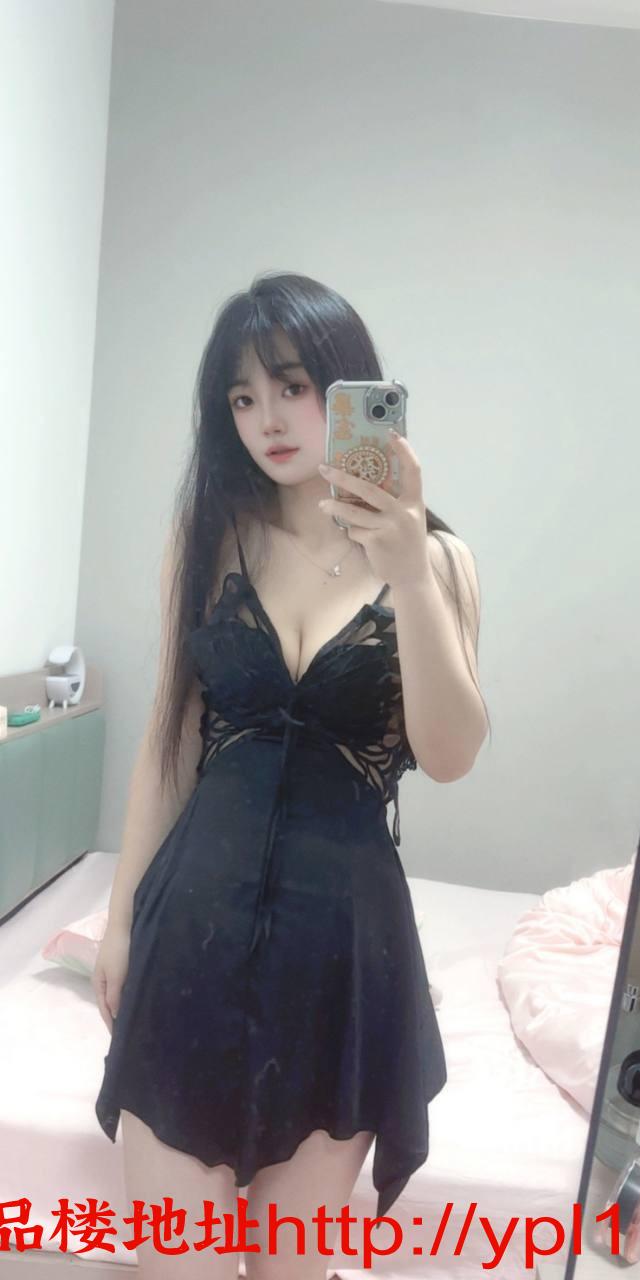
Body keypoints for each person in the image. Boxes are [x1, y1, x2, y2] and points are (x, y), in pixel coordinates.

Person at [93, 271, 489, 1279]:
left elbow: (449, 755)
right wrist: (120, 921)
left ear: (350, 389)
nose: (265, 418)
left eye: (291, 385)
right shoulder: (211, 540)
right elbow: (168, 739)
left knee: (288, 1272)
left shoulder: (439, 561)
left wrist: (408, 569)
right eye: (241, 396)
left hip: (341, 963)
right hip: (191, 939)